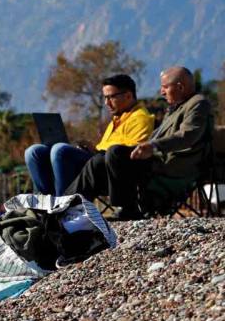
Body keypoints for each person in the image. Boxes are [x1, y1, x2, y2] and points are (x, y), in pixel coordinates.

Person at [66, 67, 212, 218]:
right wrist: (138, 147)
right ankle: (67, 208)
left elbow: (187, 135)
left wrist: (153, 146)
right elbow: (157, 136)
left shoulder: (198, 104)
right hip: (154, 161)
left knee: (115, 152)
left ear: (180, 87)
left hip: (172, 164)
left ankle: (126, 209)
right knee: (97, 162)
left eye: (165, 87)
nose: (161, 92)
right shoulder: (175, 108)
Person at [26, 74, 154, 195]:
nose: (106, 103)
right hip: (96, 161)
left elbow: (129, 153)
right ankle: (45, 205)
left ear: (128, 96)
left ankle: (64, 205)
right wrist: (93, 148)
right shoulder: (117, 119)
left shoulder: (141, 118)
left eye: (111, 97)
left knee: (60, 150)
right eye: (105, 97)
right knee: (34, 151)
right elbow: (106, 148)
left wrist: (96, 153)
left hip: (110, 170)